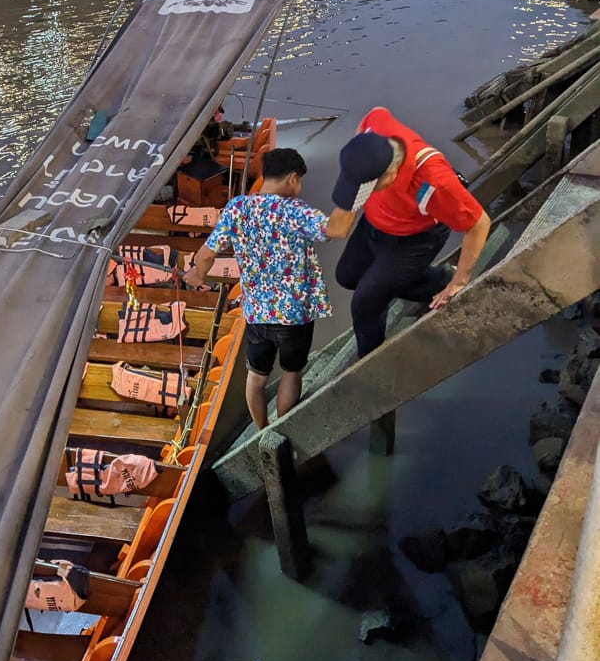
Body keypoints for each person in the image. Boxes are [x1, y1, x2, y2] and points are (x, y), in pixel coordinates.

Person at [184, 148, 355, 429]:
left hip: (256, 313)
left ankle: (262, 429)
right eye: (299, 181)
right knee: (291, 372)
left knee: (256, 376)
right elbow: (336, 229)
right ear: (291, 178)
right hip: (294, 317)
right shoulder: (295, 211)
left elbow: (205, 255)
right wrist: (355, 193)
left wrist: (197, 275)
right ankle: (281, 427)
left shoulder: (237, 208)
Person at [333, 106, 490, 358]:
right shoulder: (375, 128)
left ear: (392, 173)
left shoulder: (432, 183)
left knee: (365, 303)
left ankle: (369, 361)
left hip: (414, 238)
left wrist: (460, 281)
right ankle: (426, 283)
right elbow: (375, 112)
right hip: (375, 223)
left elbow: (479, 224)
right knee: (347, 276)